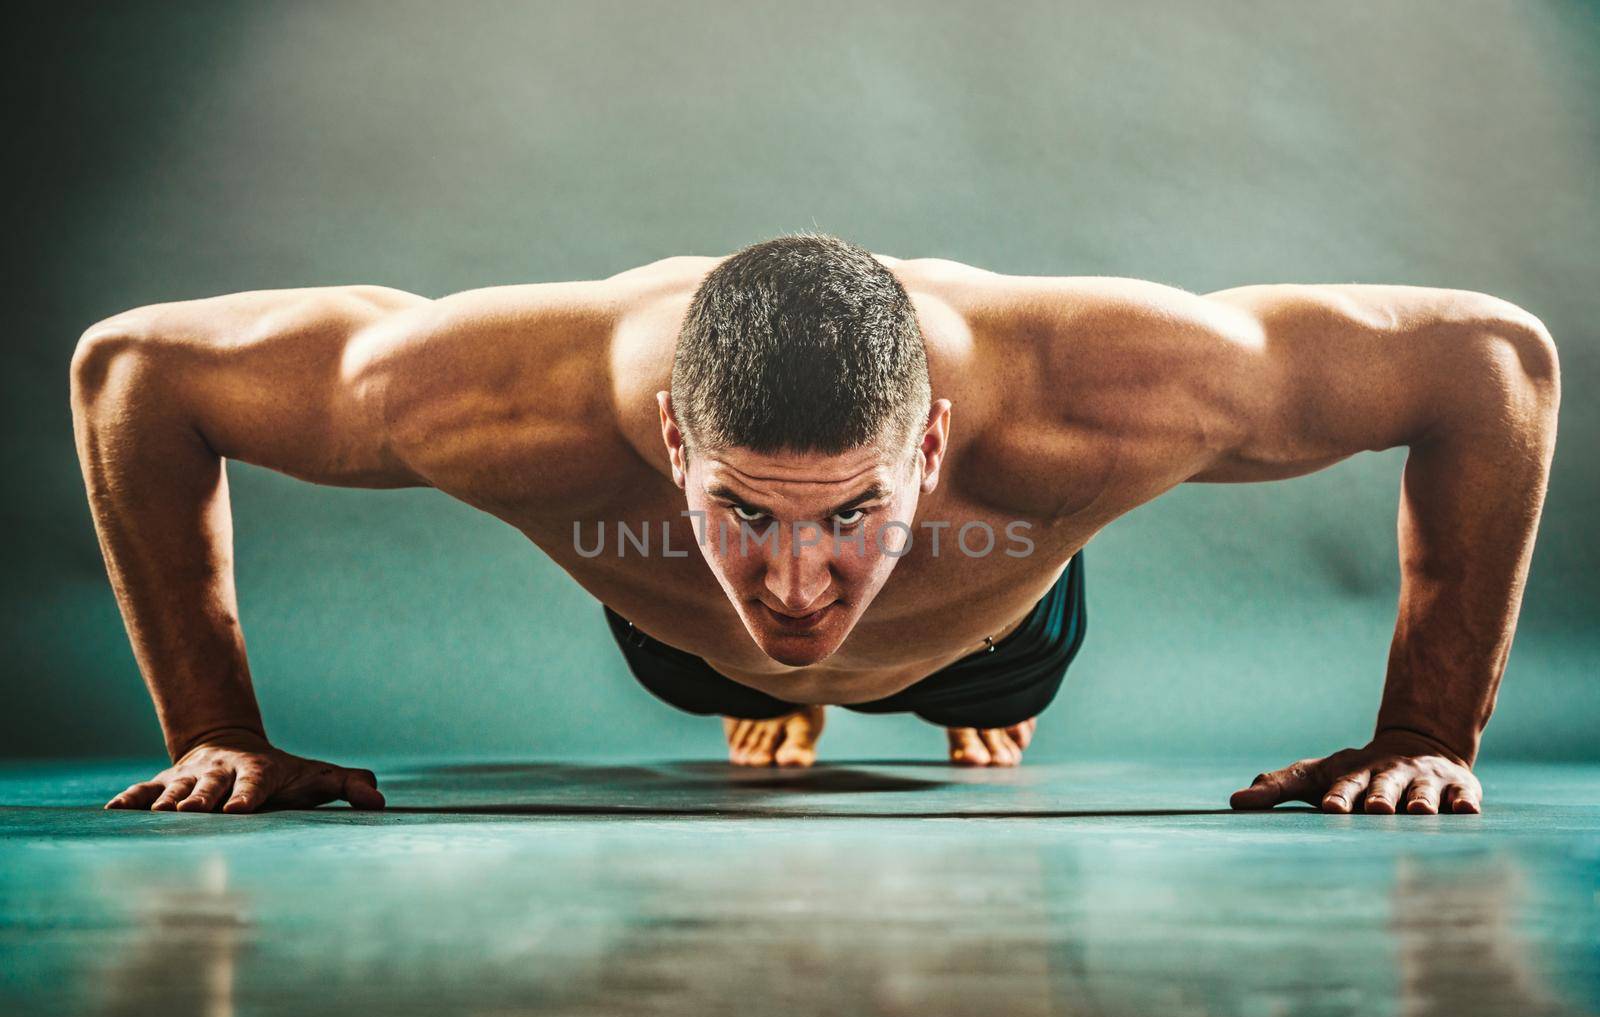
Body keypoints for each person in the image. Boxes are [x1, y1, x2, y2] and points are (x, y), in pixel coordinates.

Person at [69, 232, 1559, 816]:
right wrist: (222, 725)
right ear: (668, 442)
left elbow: (1493, 362)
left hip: (990, 625)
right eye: (747, 512)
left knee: (983, 617)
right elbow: (133, 370)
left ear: (931, 444)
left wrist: (1427, 726)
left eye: (848, 513)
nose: (794, 581)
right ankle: (750, 652)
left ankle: (967, 670)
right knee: (738, 648)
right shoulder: (492, 396)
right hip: (675, 634)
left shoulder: (1103, 392)